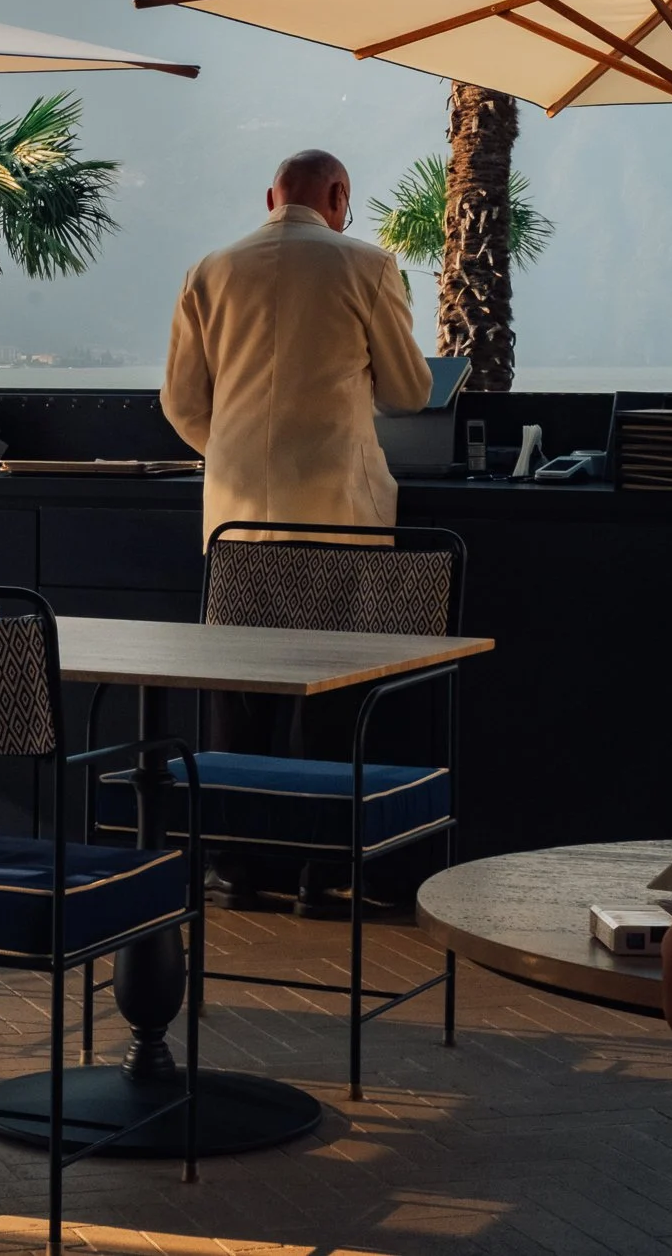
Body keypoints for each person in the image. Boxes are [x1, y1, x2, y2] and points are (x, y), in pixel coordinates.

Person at [161, 149, 432, 906]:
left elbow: (182, 404)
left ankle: (235, 869)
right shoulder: (368, 266)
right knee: (330, 698)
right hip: (335, 516)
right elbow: (410, 390)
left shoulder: (208, 270)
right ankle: (326, 875)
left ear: (270, 195)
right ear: (338, 195)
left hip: (237, 521)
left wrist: (241, 453)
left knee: (238, 703)